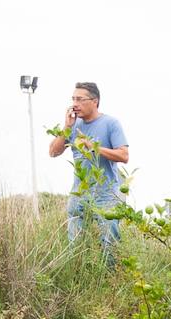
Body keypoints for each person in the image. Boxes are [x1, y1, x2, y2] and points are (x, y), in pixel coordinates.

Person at [48, 82, 128, 262]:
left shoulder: (111, 123)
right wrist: (67, 128)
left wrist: (94, 147)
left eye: (80, 99)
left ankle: (110, 282)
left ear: (95, 101)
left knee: (110, 245)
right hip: (79, 193)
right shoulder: (73, 125)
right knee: (74, 245)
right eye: (73, 99)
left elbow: (124, 155)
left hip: (106, 194)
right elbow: (53, 152)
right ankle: (77, 283)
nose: (75, 104)